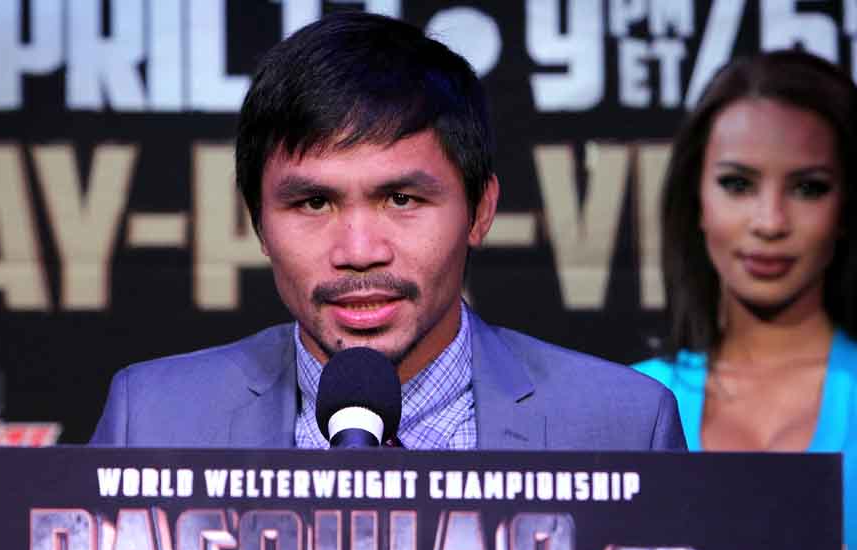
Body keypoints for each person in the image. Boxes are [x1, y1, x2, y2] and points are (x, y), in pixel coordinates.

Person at [90, 11, 684, 452]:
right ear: (258, 223)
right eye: (314, 203)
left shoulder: (624, 425)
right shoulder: (152, 421)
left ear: (480, 211)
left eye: (401, 199)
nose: (359, 252)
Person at [629, 49, 857, 550]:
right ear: (695, 198)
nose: (769, 221)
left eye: (809, 188)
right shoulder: (630, 405)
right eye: (737, 183)